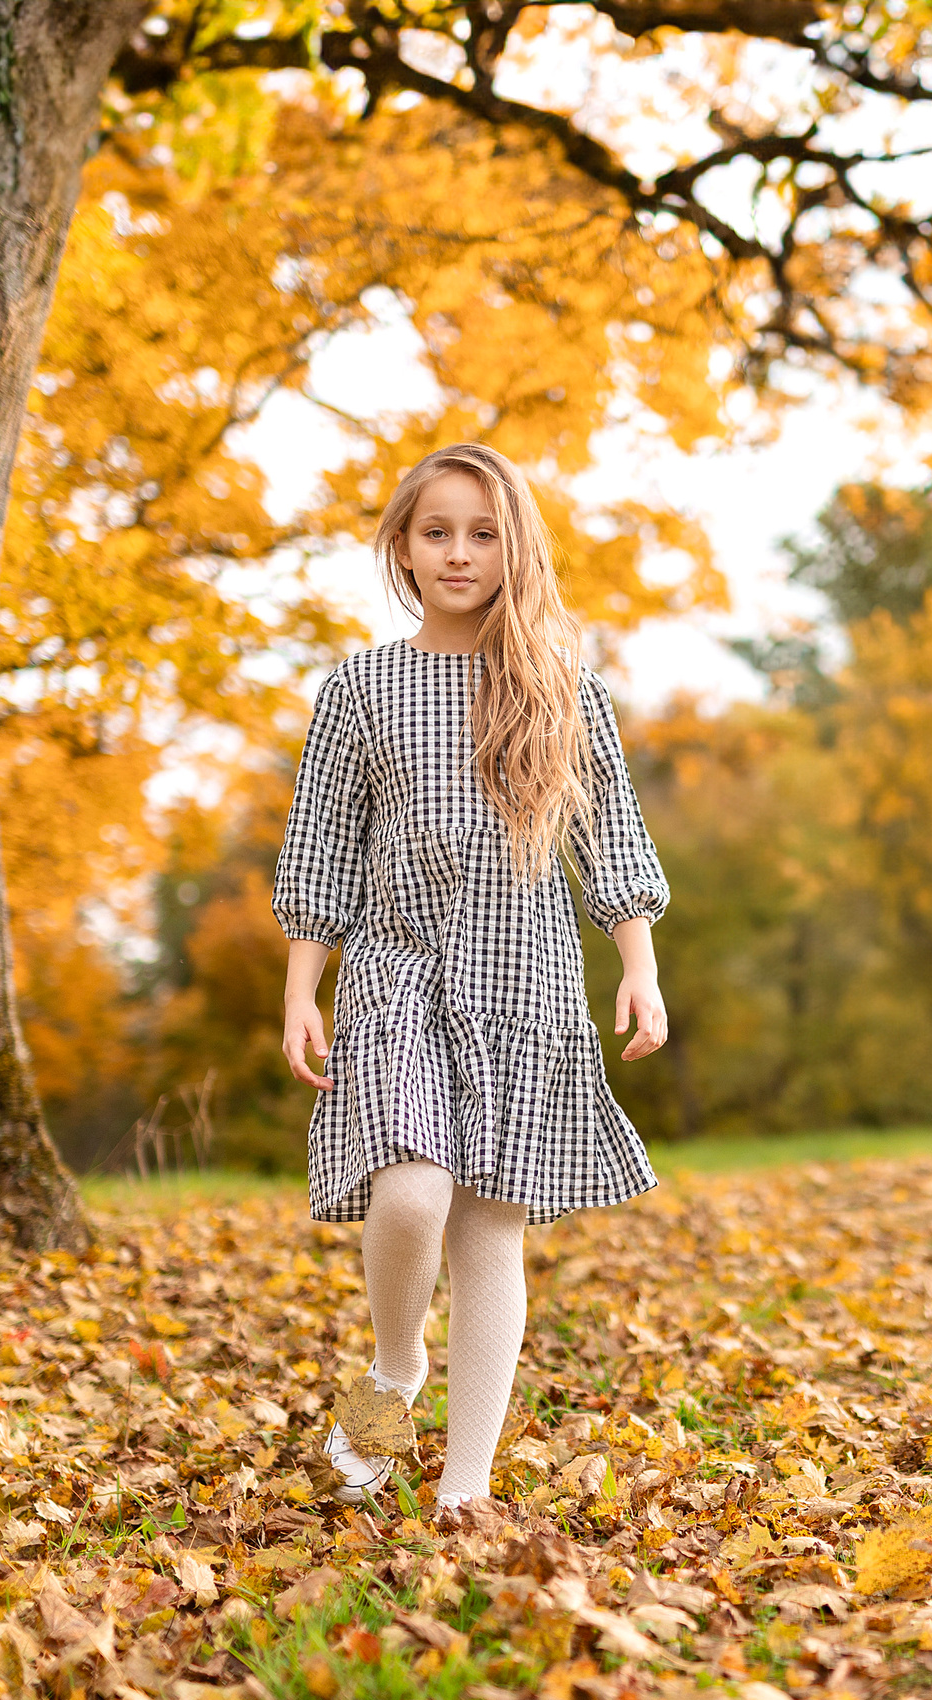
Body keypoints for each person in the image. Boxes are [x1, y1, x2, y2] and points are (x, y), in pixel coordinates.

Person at [271, 442, 672, 1523]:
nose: (458, 551)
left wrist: (637, 967)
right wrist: (303, 984)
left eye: (482, 531)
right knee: (409, 1193)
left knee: (490, 1235)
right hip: (398, 967)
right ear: (401, 545)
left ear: (513, 547)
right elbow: (321, 845)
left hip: (525, 980)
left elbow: (613, 842)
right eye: (436, 530)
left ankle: (464, 1488)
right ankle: (395, 1371)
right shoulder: (359, 686)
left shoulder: (560, 687)